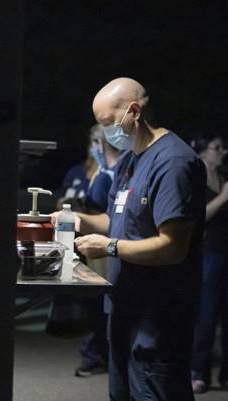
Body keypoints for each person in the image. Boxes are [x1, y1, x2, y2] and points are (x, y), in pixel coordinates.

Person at [67, 78, 205, 401]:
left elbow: (172, 246)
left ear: (134, 111)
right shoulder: (132, 160)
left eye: (108, 123)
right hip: (125, 310)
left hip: (158, 317)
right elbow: (117, 222)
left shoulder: (173, 162)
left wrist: (109, 247)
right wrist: (76, 220)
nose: (106, 132)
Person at [189, 134, 228, 394]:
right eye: (216, 147)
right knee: (207, 314)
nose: (223, 152)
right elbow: (198, 217)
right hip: (208, 251)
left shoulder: (225, 177)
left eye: (225, 147)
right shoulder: (194, 178)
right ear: (201, 151)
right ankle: (199, 371)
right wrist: (224, 196)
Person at [76, 126, 122, 378]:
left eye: (99, 140)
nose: (95, 146)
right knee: (97, 304)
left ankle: (100, 356)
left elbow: (110, 215)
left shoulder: (112, 172)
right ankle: (97, 354)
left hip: (108, 245)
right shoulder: (98, 172)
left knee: (106, 303)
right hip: (95, 242)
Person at [57, 126, 100, 209]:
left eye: (97, 142)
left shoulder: (106, 176)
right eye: (92, 143)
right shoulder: (75, 172)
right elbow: (59, 202)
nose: (93, 147)